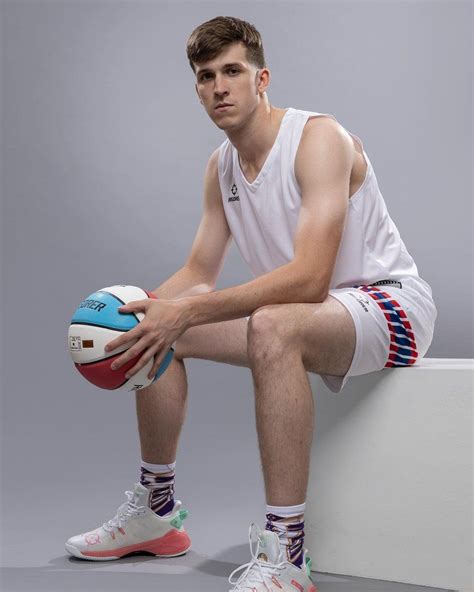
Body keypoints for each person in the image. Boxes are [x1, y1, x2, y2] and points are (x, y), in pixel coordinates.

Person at [65, 15, 437, 592]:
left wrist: (188, 310)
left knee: (270, 325)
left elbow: (310, 278)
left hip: (390, 305)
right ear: (197, 89)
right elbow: (199, 273)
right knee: (164, 331)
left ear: (262, 79)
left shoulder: (318, 139)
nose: (220, 87)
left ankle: (287, 554)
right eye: (206, 76)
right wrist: (134, 313)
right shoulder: (221, 167)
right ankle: (156, 513)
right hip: (311, 316)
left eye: (232, 71)